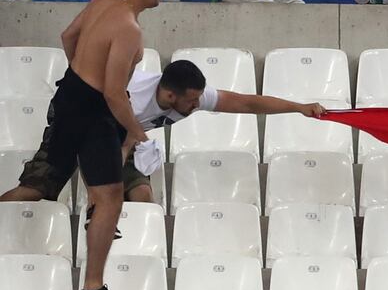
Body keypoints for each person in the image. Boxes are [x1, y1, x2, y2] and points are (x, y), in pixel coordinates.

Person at [1, 60, 326, 206]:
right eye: (192, 100)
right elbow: (100, 147)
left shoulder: (188, 95)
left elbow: (246, 103)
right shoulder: (129, 93)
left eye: (199, 98)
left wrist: (299, 107)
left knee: (141, 196)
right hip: (76, 119)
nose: (198, 105)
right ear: (170, 96)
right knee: (36, 191)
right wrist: (121, 153)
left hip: (116, 136)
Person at [49, 0, 161, 290]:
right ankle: (92, 285)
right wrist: (135, 130)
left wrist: (83, 72)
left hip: (69, 95)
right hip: (92, 110)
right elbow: (114, 94)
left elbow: (68, 36)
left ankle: (92, 274)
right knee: (111, 196)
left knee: (99, 193)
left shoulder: (102, 0)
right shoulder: (128, 27)